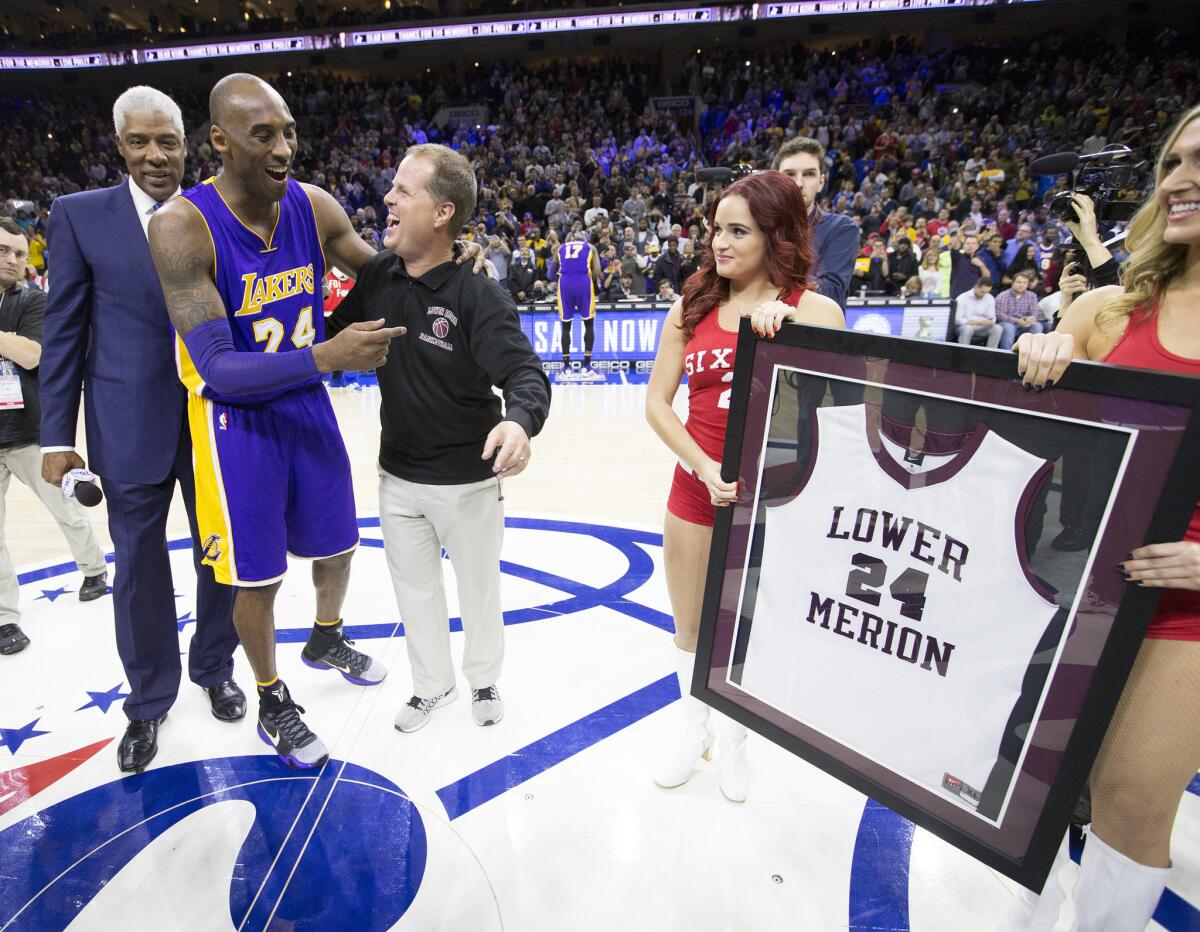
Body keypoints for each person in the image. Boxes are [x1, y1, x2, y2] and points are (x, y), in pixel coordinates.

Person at [147, 75, 482, 770]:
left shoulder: (312, 204)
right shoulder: (181, 225)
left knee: (337, 545)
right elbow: (217, 368)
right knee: (257, 578)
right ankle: (272, 696)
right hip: (234, 425)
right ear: (219, 141)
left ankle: (326, 636)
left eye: (290, 132)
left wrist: (453, 259)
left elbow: (388, 273)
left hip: (304, 402)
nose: (284, 148)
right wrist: (326, 354)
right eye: (263, 135)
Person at [1001, 103, 1200, 932]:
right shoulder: (1114, 307)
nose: (1182, 180)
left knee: (1128, 806)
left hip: (1185, 610)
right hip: (1080, 585)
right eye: (1175, 163)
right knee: (1040, 775)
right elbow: (1011, 424)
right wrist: (1039, 356)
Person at [38, 86, 242, 773]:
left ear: (188, 144)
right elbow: (63, 332)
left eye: (168, 142)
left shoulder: (222, 207)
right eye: (139, 142)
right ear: (118, 145)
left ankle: (215, 666)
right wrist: (57, 438)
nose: (156, 156)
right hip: (126, 424)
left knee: (223, 554)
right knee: (139, 569)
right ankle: (150, 701)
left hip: (217, 416)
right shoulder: (76, 217)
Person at [327, 144, 550, 734]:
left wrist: (519, 421)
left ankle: (482, 679)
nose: (388, 198)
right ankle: (432, 686)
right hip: (396, 477)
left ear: (443, 212)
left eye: (403, 190)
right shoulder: (379, 273)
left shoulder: (479, 292)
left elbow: (526, 374)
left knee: (478, 592)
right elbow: (332, 333)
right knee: (415, 594)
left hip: (468, 482)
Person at [645, 171, 843, 802]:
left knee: (749, 629)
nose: (719, 244)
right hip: (695, 490)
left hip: (777, 501)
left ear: (776, 235)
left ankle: (735, 740)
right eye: (715, 230)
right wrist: (703, 466)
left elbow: (840, 410)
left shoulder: (815, 310)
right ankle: (692, 728)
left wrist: (793, 332)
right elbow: (657, 404)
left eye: (738, 231)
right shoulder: (693, 304)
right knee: (691, 628)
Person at [0, 218, 108, 657]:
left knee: (64, 509)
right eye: (4, 250)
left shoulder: (33, 301)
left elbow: (31, 354)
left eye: (20, 254)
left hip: (30, 432)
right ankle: (6, 618)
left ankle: (94, 568)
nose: (12, 260)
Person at [775, 137, 859, 307]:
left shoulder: (842, 228)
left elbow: (829, 292)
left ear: (820, 182)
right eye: (789, 174)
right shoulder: (761, 227)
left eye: (808, 174)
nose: (798, 183)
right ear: (775, 181)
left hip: (812, 330)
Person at [556, 230, 602, 379]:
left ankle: (566, 367)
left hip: (565, 283)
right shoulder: (591, 247)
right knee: (588, 323)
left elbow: (551, 272)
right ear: (584, 238)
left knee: (566, 325)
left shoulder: (561, 247)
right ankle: (586, 367)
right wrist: (586, 278)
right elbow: (597, 271)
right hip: (583, 282)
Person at [995, 271, 1043, 348]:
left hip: (1023, 324)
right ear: (1013, 283)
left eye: (1024, 283)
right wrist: (1017, 321)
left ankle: (1028, 351)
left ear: (1028, 284)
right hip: (1006, 323)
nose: (1021, 285)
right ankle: (1006, 354)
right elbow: (1000, 315)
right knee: (1009, 328)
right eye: (1019, 282)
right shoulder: (1003, 296)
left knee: (1037, 326)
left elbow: (1034, 314)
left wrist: (1028, 319)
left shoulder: (1032, 296)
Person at [954, 276, 1002, 347]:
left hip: (982, 327)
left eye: (987, 292)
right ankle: (963, 354)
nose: (984, 294)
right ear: (976, 286)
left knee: (998, 328)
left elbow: (993, 318)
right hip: (965, 326)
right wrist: (976, 322)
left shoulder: (989, 298)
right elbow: (957, 320)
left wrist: (989, 322)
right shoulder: (962, 298)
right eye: (982, 292)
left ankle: (991, 354)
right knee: (968, 329)